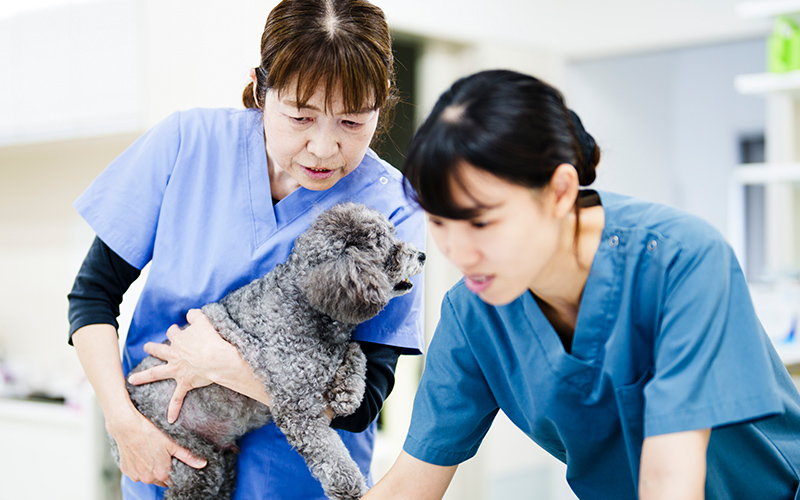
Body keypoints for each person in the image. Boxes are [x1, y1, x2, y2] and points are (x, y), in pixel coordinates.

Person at [363, 69, 800, 499]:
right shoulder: (473, 312)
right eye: (440, 222)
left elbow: (672, 477)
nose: (459, 252)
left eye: (481, 222)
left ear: (559, 191)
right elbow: (410, 485)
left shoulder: (680, 260)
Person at [66, 1, 425, 498]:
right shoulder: (186, 143)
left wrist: (225, 367)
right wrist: (122, 423)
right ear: (261, 88)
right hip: (167, 462)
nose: (323, 147)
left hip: (296, 485)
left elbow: (365, 401)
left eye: (352, 122)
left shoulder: (394, 207)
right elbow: (91, 296)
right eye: (301, 116)